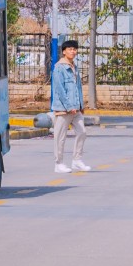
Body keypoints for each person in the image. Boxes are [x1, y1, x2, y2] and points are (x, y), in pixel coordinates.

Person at [51, 40, 88, 174]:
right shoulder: (59, 68)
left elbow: (78, 88)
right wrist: (68, 106)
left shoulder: (74, 67)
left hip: (76, 108)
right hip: (63, 109)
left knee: (82, 132)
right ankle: (59, 163)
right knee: (60, 137)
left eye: (75, 49)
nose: (73, 51)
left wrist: (80, 105)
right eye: (70, 49)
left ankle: (77, 160)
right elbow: (59, 89)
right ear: (64, 51)